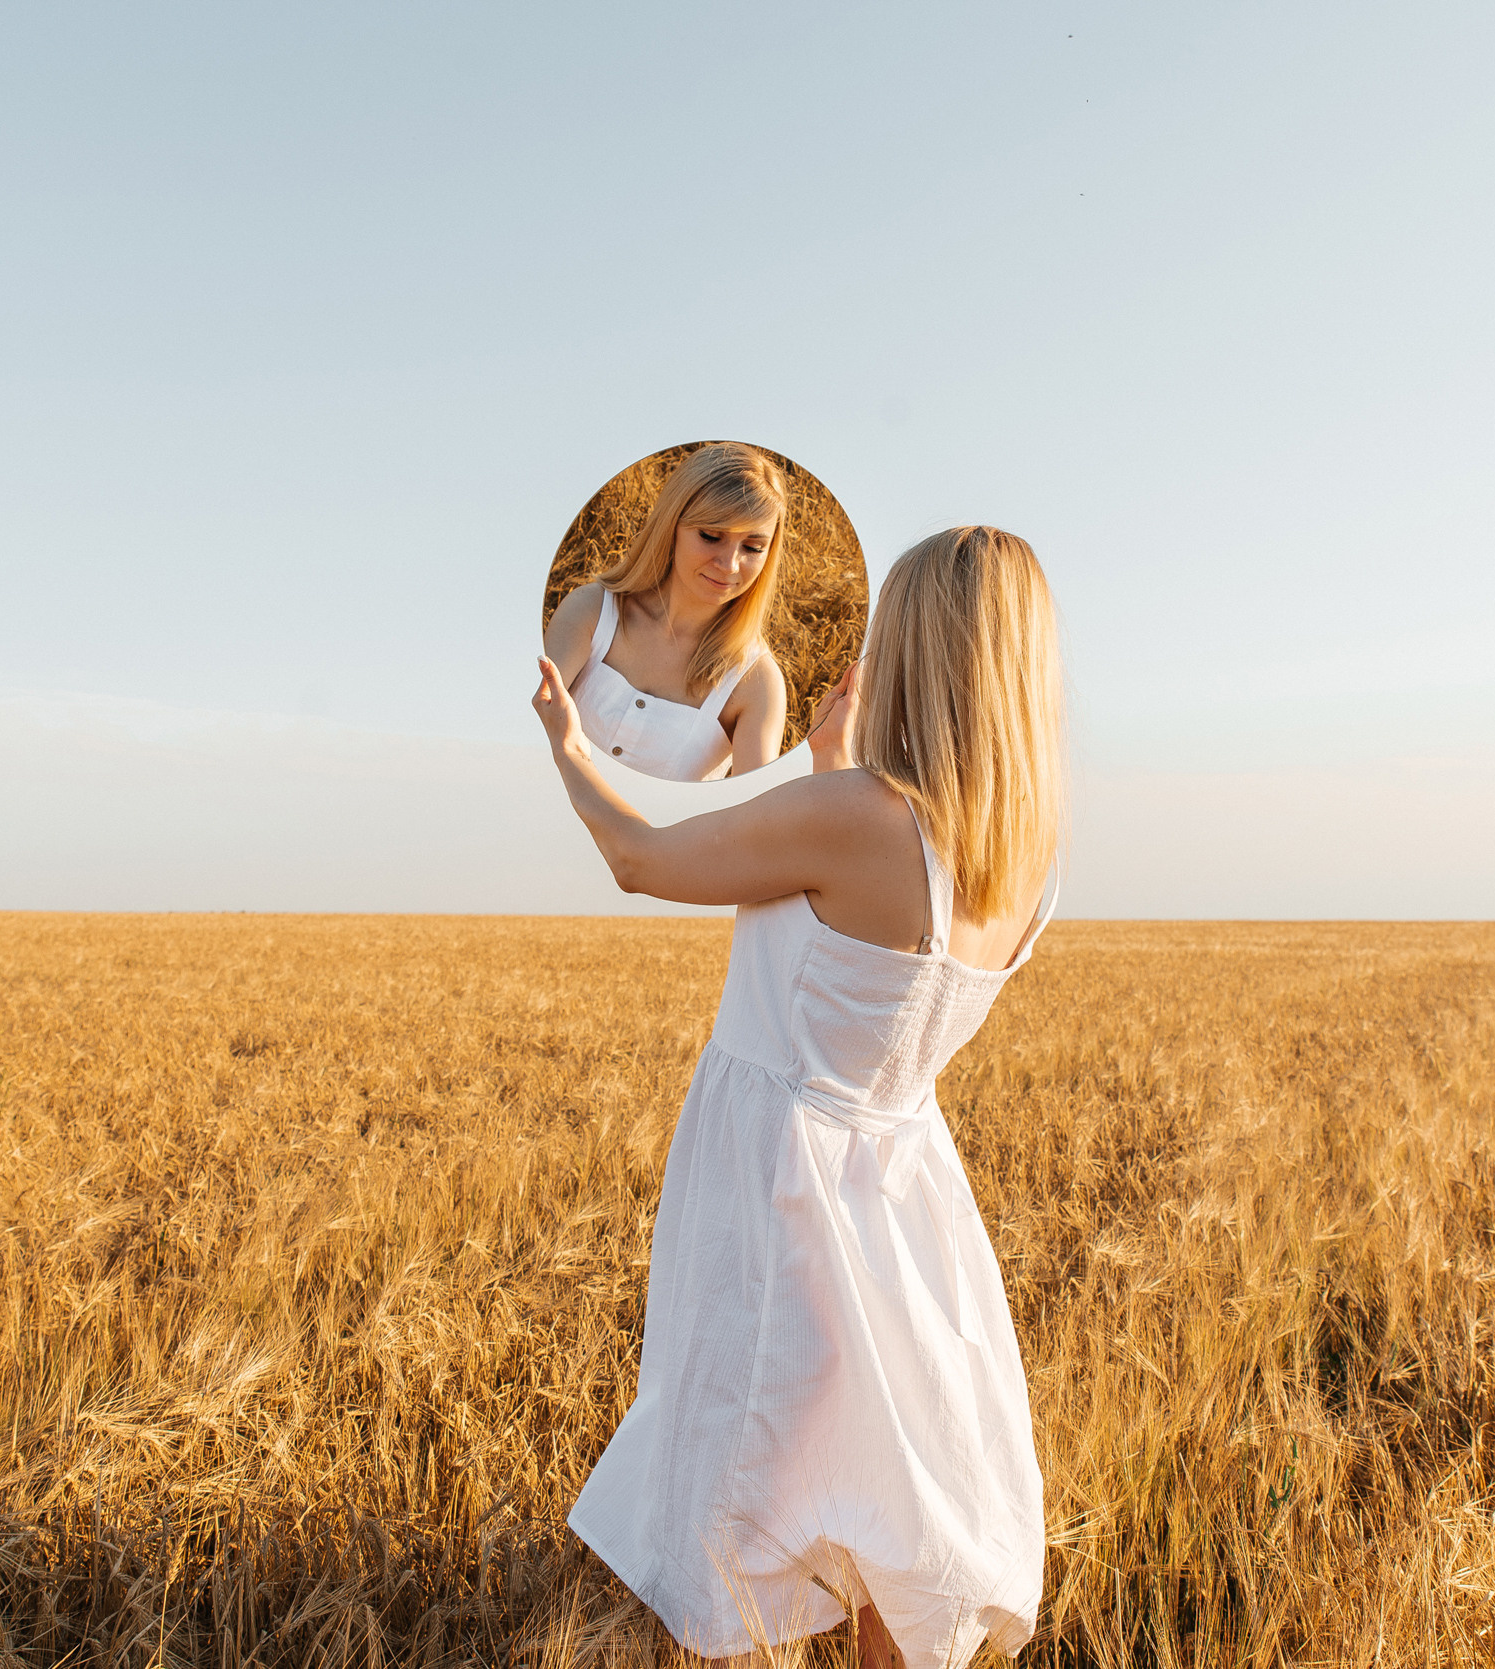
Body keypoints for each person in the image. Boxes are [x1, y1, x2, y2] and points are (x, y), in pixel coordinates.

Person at [530, 527, 1065, 1669]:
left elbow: (641, 857)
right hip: (899, 1183)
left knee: (739, 1469)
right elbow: (862, 945)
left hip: (777, 1172)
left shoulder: (860, 815)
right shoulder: (1025, 858)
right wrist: (825, 766)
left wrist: (568, 746)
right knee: (881, 1473)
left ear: (916, 651)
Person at [543, 443, 792, 782]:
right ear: (671, 526)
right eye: (710, 536)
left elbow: (752, 819)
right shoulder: (591, 611)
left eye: (752, 547)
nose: (729, 565)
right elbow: (524, 734)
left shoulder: (756, 683)